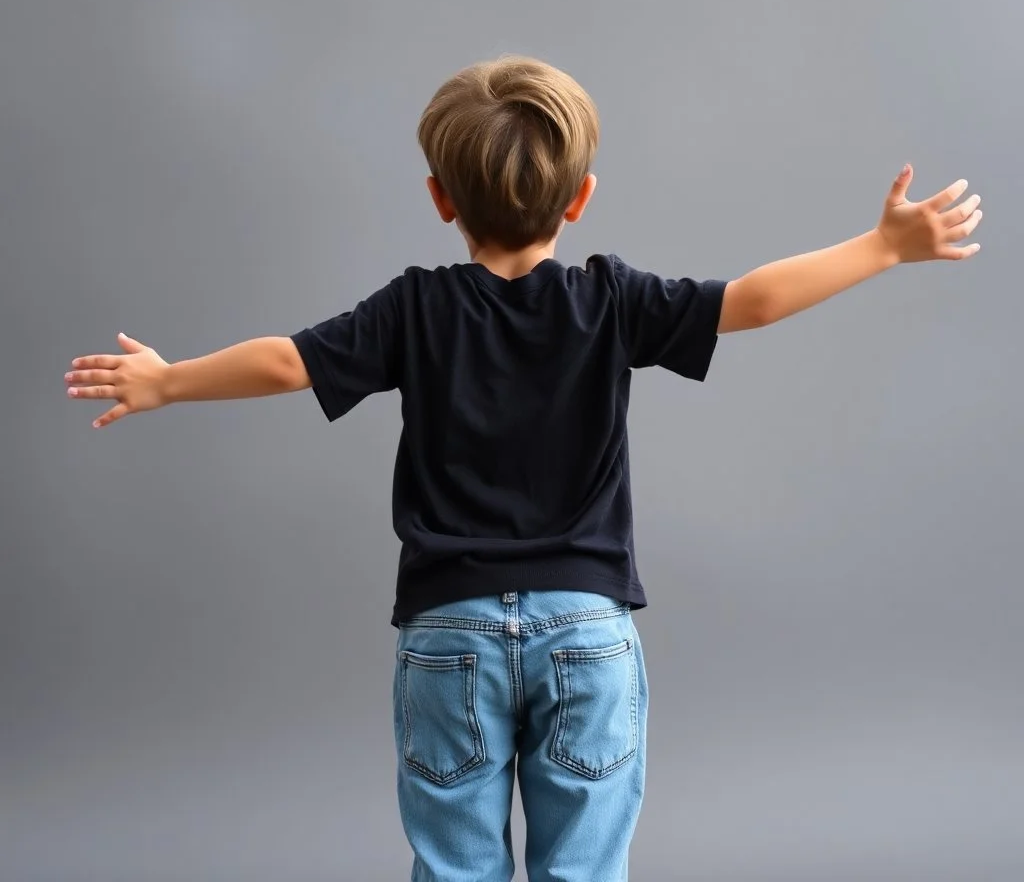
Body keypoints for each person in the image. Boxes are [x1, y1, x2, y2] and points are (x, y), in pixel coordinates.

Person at [65, 56, 982, 881]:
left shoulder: (414, 309)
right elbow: (754, 302)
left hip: (447, 631)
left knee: (455, 868)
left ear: (439, 198)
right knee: (582, 871)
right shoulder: (610, 300)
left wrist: (168, 382)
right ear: (580, 198)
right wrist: (885, 247)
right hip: (587, 628)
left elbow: (286, 362)